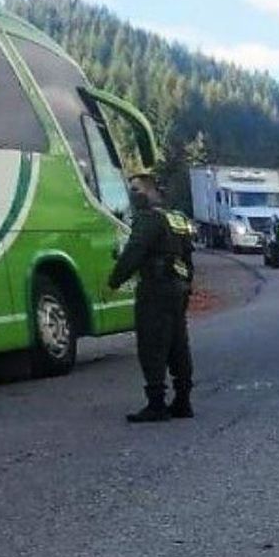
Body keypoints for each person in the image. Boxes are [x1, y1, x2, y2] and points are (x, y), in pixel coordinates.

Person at [107, 172, 195, 423]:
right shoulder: (177, 218)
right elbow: (188, 256)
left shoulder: (149, 220)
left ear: (149, 191)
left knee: (152, 345)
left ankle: (156, 404)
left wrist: (114, 280)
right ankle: (183, 400)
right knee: (178, 345)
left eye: (136, 190)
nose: (133, 195)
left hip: (156, 289)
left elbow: (134, 252)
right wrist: (187, 285)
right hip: (177, 288)